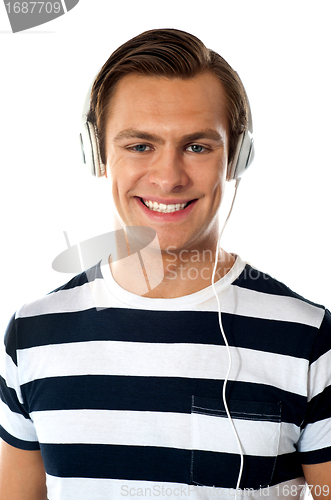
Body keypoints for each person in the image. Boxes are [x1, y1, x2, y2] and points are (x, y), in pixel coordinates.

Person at [0, 28, 330, 500]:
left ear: (238, 157)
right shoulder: (32, 335)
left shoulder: (310, 340)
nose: (168, 177)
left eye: (197, 146)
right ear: (96, 154)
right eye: (139, 146)